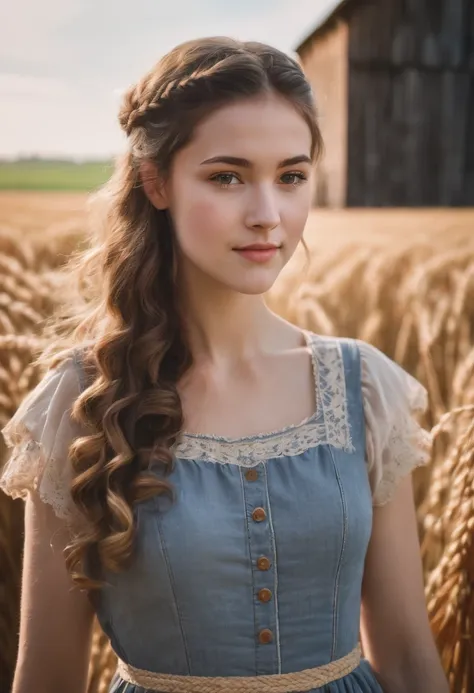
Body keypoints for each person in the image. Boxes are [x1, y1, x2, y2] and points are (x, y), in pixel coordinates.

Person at [1, 37, 448, 693]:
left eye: (291, 177)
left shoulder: (365, 387)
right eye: (227, 176)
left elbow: (409, 658)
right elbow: (47, 678)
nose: (268, 216)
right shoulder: (80, 404)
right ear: (157, 182)